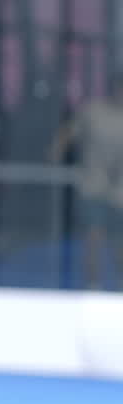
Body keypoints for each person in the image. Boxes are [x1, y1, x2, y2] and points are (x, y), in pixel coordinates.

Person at [50, 72, 123, 289]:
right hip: (94, 185)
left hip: (120, 191)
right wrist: (56, 151)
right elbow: (68, 133)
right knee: (94, 235)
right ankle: (93, 285)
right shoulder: (93, 112)